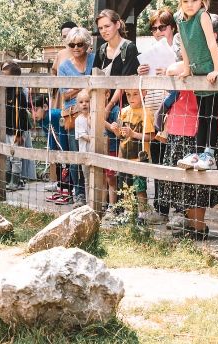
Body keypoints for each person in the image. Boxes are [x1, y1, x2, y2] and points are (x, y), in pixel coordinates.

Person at [93, 9, 139, 219]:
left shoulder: (129, 48)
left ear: (117, 24)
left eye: (107, 26)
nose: (104, 31)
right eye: (100, 28)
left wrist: (109, 105)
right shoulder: (101, 50)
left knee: (125, 155)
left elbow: (125, 80)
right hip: (104, 106)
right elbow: (95, 77)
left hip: (121, 106)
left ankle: (128, 206)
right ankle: (109, 204)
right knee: (105, 155)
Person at [173, 0, 218, 171]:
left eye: (194, 0)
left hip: (211, 69)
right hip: (198, 71)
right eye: (185, 1)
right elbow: (184, 45)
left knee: (210, 113)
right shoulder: (179, 18)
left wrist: (217, 69)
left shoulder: (202, 16)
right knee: (201, 114)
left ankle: (209, 155)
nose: (190, 4)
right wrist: (187, 69)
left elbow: (211, 43)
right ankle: (198, 152)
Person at [137, 8, 179, 225]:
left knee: (175, 163)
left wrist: (169, 73)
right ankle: (161, 210)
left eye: (162, 27)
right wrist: (142, 74)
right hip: (154, 113)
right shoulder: (150, 53)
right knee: (158, 163)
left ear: (172, 27)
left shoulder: (179, 53)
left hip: (174, 115)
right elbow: (141, 91)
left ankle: (179, 211)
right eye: (153, 28)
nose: (157, 32)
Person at [56, 27, 95, 206]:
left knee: (97, 153)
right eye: (72, 45)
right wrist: (86, 84)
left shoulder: (94, 60)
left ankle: (97, 194)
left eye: (80, 44)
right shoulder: (64, 66)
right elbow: (65, 94)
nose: (76, 48)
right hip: (74, 115)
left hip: (95, 112)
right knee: (76, 155)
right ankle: (79, 194)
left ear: (87, 44)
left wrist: (76, 88)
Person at [112, 88, 156, 223]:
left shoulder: (147, 113)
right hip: (124, 157)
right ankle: (128, 213)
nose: (131, 98)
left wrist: (133, 134)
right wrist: (116, 131)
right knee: (126, 187)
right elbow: (121, 136)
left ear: (144, 93)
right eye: (128, 94)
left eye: (135, 94)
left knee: (140, 188)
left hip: (140, 158)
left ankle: (142, 215)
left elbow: (151, 136)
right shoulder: (123, 112)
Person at [0, 62, 35, 190]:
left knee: (16, 156)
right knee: (7, 156)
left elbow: (22, 115)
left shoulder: (19, 95)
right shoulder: (3, 92)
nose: (3, 79)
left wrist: (19, 133)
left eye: (5, 76)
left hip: (16, 131)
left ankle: (15, 182)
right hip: (6, 130)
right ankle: (7, 180)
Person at [72, 90, 92, 207]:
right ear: (77, 105)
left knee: (98, 178)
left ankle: (100, 202)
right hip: (85, 153)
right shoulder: (78, 120)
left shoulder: (94, 117)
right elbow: (83, 136)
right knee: (87, 179)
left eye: (87, 101)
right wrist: (94, 138)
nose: (84, 104)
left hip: (96, 151)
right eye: (81, 102)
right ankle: (89, 202)